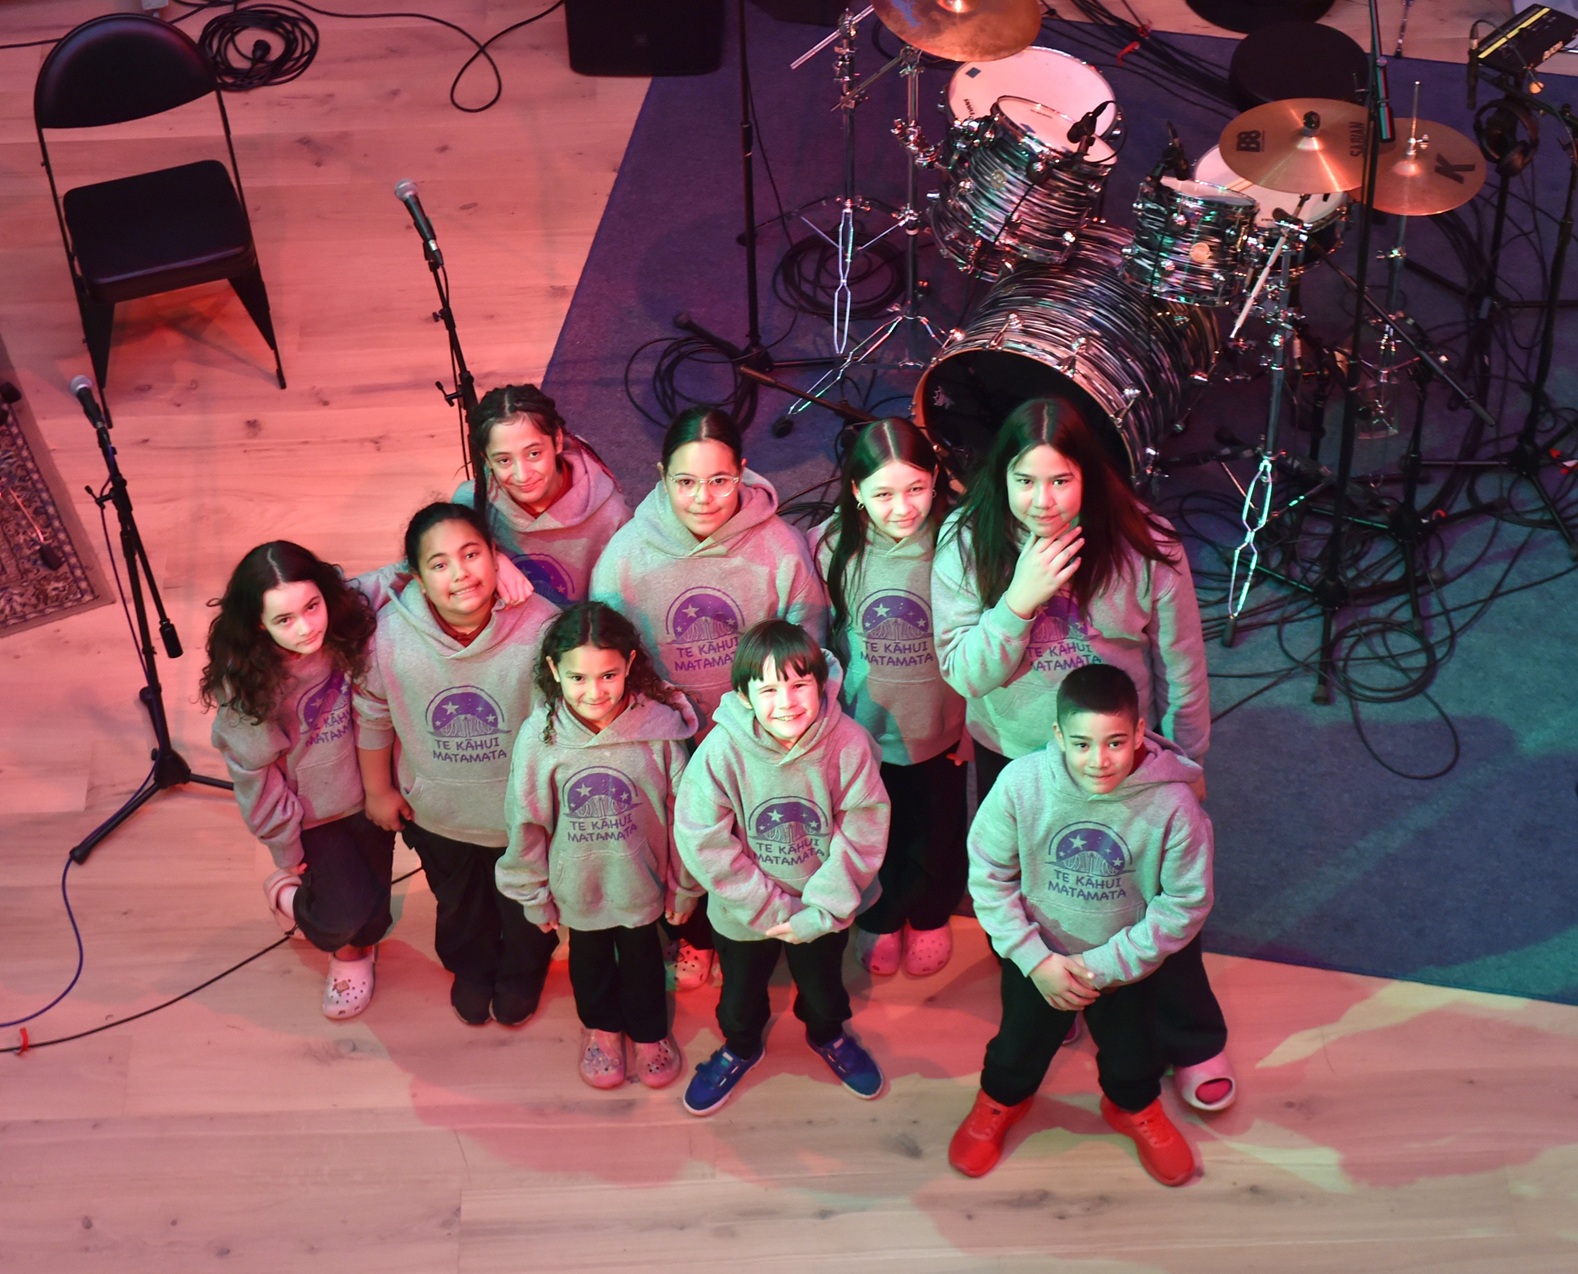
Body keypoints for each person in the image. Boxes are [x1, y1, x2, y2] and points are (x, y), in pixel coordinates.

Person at [931, 397, 1233, 1112]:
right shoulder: (965, 541)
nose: (1043, 501)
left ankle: (1189, 1036)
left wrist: (1186, 763)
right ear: (999, 480)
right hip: (1017, 752)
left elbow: (1183, 664)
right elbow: (965, 674)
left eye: (1061, 481)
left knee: (1147, 892)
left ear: (1089, 478)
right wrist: (1018, 602)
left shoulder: (1145, 543)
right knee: (1038, 883)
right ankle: (1053, 997)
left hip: (1121, 758)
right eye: (1025, 482)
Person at [590, 407, 827, 990]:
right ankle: (694, 933)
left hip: (760, 729)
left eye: (720, 480)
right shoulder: (624, 557)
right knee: (684, 831)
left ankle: (766, 926)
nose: (703, 498)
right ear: (660, 476)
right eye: (685, 482)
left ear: (743, 473)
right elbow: (613, 659)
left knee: (755, 826)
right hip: (670, 728)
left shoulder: (781, 547)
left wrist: (761, 719)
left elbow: (807, 643)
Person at [949, 664, 1212, 1186]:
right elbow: (988, 874)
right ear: (1057, 737)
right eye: (1082, 744)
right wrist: (1034, 959)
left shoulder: (1174, 806)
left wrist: (1100, 967)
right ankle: (1002, 1100)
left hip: (1125, 965)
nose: (1099, 761)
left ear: (1140, 732)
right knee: (1017, 1043)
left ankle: (1133, 1107)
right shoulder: (1021, 784)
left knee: (1134, 1051)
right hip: (1039, 960)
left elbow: (1185, 902)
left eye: (1115, 742)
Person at [354, 502, 560, 1028]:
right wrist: (379, 791)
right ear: (418, 579)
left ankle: (521, 971)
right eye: (439, 563)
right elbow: (374, 713)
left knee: (523, 906)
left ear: (496, 558)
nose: (460, 573)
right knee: (459, 903)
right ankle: (472, 968)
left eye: (471, 554)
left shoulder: (542, 629)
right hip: (438, 810)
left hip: (520, 814)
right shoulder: (388, 637)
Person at [673, 620, 890, 1116]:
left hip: (822, 910)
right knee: (740, 995)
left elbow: (863, 828)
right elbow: (702, 837)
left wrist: (820, 910)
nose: (787, 701)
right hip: (743, 913)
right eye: (768, 688)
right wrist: (768, 908)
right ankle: (741, 1046)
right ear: (745, 696)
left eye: (799, 684)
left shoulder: (849, 744)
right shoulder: (721, 751)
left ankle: (828, 1035)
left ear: (819, 684)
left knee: (823, 988)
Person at [497, 602, 699, 1090]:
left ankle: (650, 1033)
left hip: (641, 883)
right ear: (554, 671)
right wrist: (534, 892)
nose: (594, 692)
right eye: (578, 678)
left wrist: (684, 885)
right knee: (588, 962)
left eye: (608, 675)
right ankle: (602, 1030)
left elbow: (683, 817)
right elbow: (526, 822)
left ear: (630, 664)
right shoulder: (539, 738)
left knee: (643, 960)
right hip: (577, 888)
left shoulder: (661, 731)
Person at [202, 541, 390, 1020]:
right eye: (284, 620)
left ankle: (361, 948)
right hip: (312, 813)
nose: (307, 627)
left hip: (370, 788)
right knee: (338, 916)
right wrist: (286, 850)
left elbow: (407, 571)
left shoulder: (348, 611)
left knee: (374, 909)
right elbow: (254, 778)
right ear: (257, 624)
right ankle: (295, 906)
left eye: (312, 606)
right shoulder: (246, 683)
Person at [810, 418, 967, 979]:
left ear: (936, 481)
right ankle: (880, 911)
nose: (902, 508)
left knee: (938, 824)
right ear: (856, 492)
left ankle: (929, 910)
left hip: (943, 724)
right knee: (874, 822)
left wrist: (973, 724)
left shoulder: (958, 539)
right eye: (882, 494)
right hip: (866, 724)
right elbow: (825, 638)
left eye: (915, 489)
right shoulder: (831, 546)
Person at [456, 382, 630, 607]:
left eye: (534, 454)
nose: (522, 475)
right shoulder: (470, 504)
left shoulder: (612, 515)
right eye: (504, 460)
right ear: (486, 460)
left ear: (557, 440)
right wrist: (492, 559)